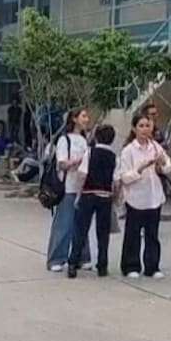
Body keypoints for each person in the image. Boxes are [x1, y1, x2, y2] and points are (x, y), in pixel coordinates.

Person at [120, 113, 171, 279]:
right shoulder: (128, 151)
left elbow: (168, 167)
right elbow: (125, 177)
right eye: (141, 126)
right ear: (134, 128)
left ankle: (152, 266)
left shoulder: (156, 147)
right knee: (133, 234)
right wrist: (140, 168)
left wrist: (162, 164)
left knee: (152, 234)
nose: (144, 129)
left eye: (147, 126)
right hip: (135, 198)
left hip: (154, 197)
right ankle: (131, 266)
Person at [68, 124, 119, 279]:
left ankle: (73, 263)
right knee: (103, 233)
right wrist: (115, 198)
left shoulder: (89, 153)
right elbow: (116, 181)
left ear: (96, 137)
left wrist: (78, 194)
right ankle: (102, 266)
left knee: (81, 230)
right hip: (105, 196)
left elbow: (82, 175)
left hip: (88, 194)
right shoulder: (114, 157)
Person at [45, 110, 91, 273]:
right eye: (83, 116)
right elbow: (62, 163)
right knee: (64, 224)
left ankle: (81, 256)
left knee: (81, 224)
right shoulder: (64, 140)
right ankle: (56, 258)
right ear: (74, 119)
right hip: (68, 186)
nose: (86, 119)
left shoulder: (84, 140)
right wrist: (79, 161)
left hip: (82, 187)